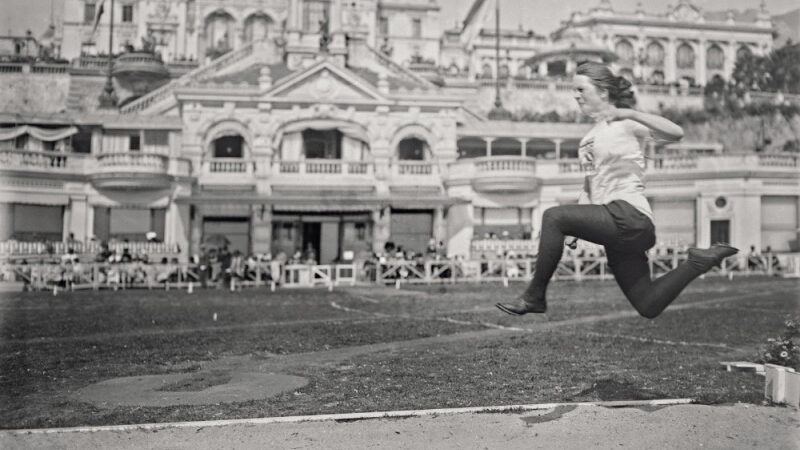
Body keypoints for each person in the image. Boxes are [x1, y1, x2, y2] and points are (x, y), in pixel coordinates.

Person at [496, 62, 738, 319]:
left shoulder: (625, 123)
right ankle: (698, 262)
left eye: (581, 89)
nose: (575, 96)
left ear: (602, 91)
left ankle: (535, 296)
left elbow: (676, 133)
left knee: (552, 216)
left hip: (631, 216)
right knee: (648, 305)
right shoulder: (586, 140)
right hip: (615, 228)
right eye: (574, 90)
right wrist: (573, 229)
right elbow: (590, 185)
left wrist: (630, 114)